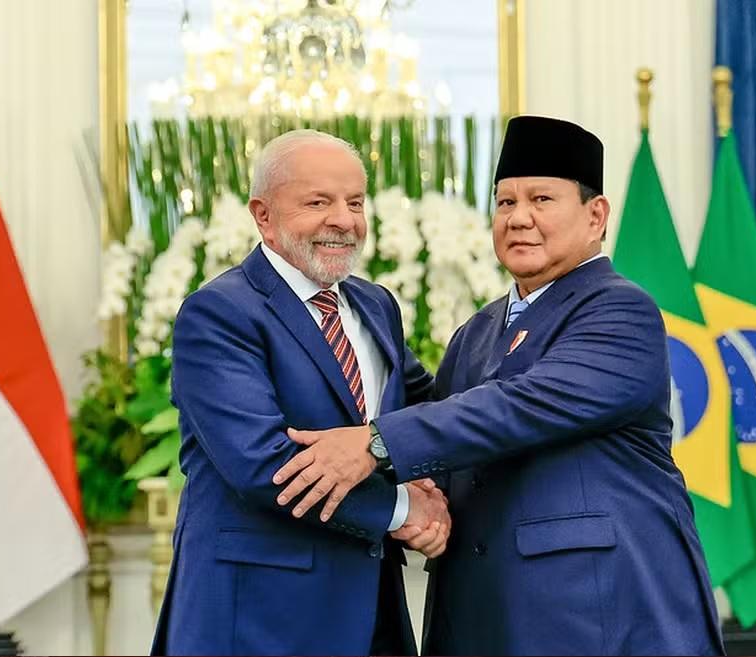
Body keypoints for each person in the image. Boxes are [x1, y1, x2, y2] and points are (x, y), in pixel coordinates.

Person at [272, 116, 724, 655]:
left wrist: (373, 442)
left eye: (542, 199)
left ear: (596, 215)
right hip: (481, 621)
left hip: (599, 618)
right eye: (505, 202)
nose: (519, 218)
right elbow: (435, 426)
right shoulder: (478, 330)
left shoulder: (620, 310)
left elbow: (517, 407)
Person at [150, 129, 451, 656]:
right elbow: (265, 466)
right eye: (318, 202)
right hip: (259, 620)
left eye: (355, 202)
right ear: (262, 215)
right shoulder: (219, 313)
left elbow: (428, 410)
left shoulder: (376, 305)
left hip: (372, 614)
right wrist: (405, 510)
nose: (343, 220)